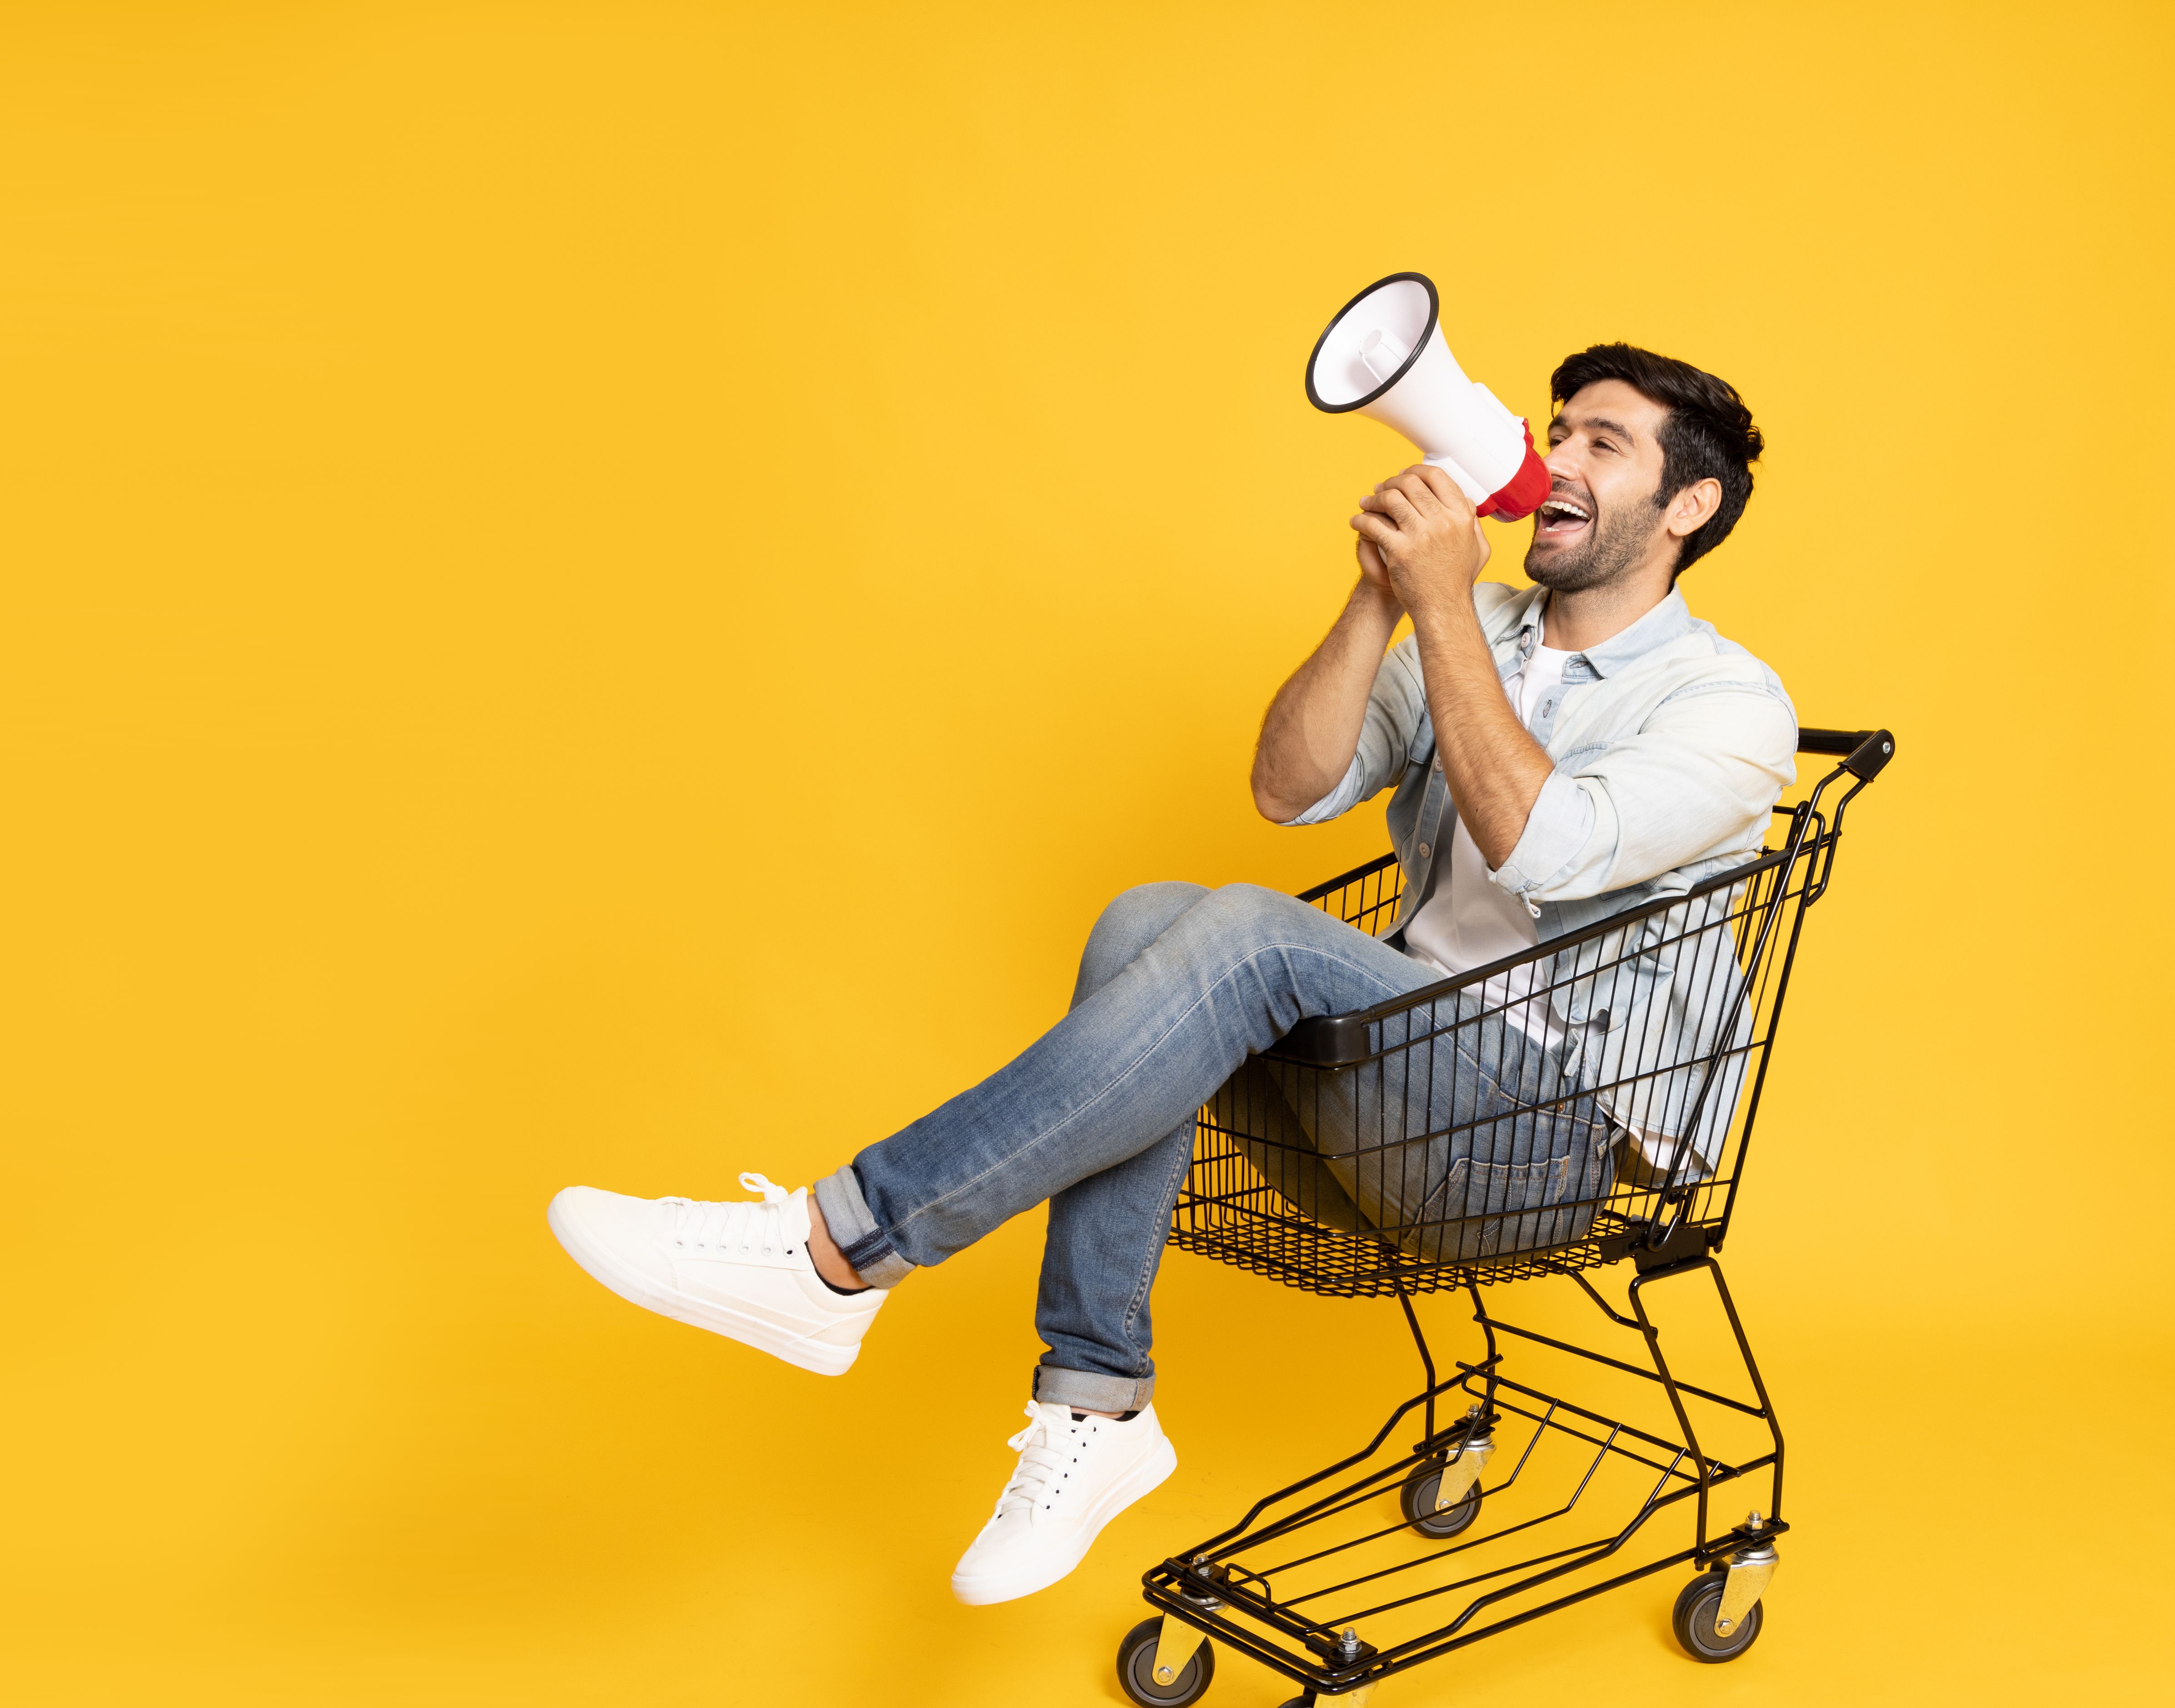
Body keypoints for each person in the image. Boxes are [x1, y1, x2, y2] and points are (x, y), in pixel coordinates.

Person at [546, 343, 1797, 1606]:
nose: (1561, 458)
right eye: (1559, 430)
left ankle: (835, 1249)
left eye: (1603, 444)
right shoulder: (1472, 626)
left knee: (1249, 933)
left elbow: (1548, 843)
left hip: (1541, 1154)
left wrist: (1438, 610)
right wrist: (1379, 597)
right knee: (1149, 916)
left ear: (1686, 508)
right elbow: (1287, 789)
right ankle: (1096, 1411)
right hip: (1389, 1097)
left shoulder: (1730, 704)